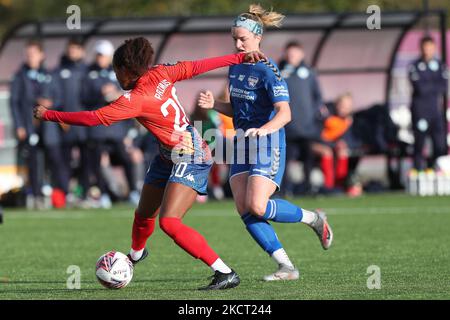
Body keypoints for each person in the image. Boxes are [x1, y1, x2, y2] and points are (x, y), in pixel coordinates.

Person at [34, 37, 266, 290]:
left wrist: (49, 114)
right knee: (143, 213)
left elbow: (94, 118)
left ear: (126, 71)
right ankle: (136, 255)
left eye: (116, 71)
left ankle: (225, 272)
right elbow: (201, 65)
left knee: (169, 222)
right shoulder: (162, 72)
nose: (115, 76)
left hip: (191, 155)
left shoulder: (134, 100)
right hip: (168, 154)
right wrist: (239, 57)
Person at [198, 4, 333, 281]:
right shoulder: (235, 68)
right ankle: (286, 267)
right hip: (242, 143)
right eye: (234, 38)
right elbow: (239, 109)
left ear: (257, 38)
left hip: (268, 142)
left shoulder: (269, 71)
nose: (237, 44)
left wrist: (262, 130)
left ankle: (314, 219)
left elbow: (285, 114)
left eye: (242, 39)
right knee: (243, 208)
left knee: (258, 206)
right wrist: (216, 105)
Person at [9, 40, 68, 209]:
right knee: (33, 161)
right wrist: (19, 125)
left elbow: (59, 98)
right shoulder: (20, 76)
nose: (30, 57)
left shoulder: (50, 75)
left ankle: (62, 193)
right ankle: (35, 195)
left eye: (33, 54)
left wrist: (50, 103)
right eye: (27, 54)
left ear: (41, 55)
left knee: (56, 159)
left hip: (49, 127)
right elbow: (15, 103)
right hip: (29, 125)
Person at [81, 40, 139, 208]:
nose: (100, 58)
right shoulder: (88, 74)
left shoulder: (119, 73)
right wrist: (99, 94)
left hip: (116, 129)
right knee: (99, 161)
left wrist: (116, 95)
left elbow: (130, 98)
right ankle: (103, 194)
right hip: (98, 129)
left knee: (127, 159)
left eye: (104, 55)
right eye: (98, 55)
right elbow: (83, 99)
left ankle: (134, 191)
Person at [279, 41, 324, 195]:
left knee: (308, 159)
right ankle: (283, 189)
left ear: (301, 54)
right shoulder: (279, 72)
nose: (292, 56)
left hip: (306, 127)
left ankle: (308, 187)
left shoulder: (309, 73)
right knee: (284, 160)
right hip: (287, 126)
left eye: (295, 53)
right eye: (289, 53)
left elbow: (317, 97)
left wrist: (316, 111)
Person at [53, 37, 90, 201]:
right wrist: (60, 117)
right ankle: (65, 192)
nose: (72, 51)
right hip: (66, 123)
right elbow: (56, 97)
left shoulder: (88, 71)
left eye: (76, 48)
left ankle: (84, 192)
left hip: (85, 123)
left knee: (86, 160)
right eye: (70, 48)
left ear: (82, 51)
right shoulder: (59, 70)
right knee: (65, 160)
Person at [408, 35, 448, 170]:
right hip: (420, 112)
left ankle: (437, 172)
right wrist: (434, 85)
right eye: (425, 47)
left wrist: (430, 85)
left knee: (440, 145)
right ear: (421, 48)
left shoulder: (440, 65)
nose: (427, 50)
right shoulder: (414, 66)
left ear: (434, 48)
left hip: (436, 113)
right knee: (419, 145)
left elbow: (443, 86)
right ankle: (418, 172)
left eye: (430, 47)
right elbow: (420, 88)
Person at [312, 92, 355, 194]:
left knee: (343, 152)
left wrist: (342, 143)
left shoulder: (349, 120)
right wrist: (334, 145)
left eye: (347, 107)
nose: (344, 108)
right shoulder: (325, 114)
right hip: (315, 143)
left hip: (332, 146)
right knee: (327, 152)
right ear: (337, 104)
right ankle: (328, 187)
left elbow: (349, 139)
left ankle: (339, 186)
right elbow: (316, 134)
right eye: (342, 105)